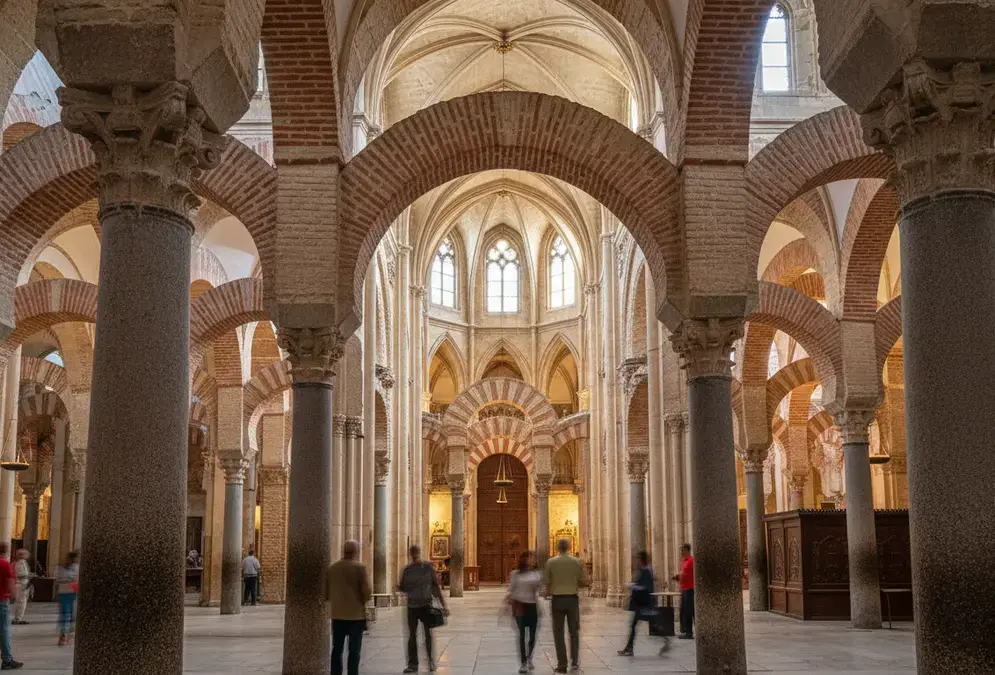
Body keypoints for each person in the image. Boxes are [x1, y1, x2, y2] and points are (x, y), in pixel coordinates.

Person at [397, 544, 448, 673]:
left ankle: (429, 662)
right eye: (413, 552)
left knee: (427, 635)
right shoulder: (408, 569)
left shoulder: (426, 568)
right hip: (413, 606)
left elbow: (435, 586)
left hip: (425, 605)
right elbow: (402, 587)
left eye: (415, 552)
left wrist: (443, 604)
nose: (414, 555)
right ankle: (414, 664)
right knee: (413, 636)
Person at [326, 540, 371, 675]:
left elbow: (326, 593)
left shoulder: (332, 568)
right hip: (356, 616)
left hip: (337, 614)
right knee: (354, 650)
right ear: (356, 551)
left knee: (337, 648)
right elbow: (367, 593)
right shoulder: (360, 568)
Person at [542, 538, 587, 673]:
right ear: (569, 547)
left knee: (558, 632)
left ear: (557, 548)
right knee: (574, 632)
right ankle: (574, 663)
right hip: (572, 600)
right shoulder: (577, 562)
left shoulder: (551, 562)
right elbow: (583, 581)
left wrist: (549, 591)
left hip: (557, 600)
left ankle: (562, 664)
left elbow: (547, 581)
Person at [507, 551, 541, 674]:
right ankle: (523, 662)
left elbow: (539, 588)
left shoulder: (536, 574)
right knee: (522, 635)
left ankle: (529, 657)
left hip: (532, 606)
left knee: (532, 635)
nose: (532, 560)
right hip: (520, 606)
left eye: (533, 558)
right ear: (524, 560)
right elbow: (512, 589)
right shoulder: (515, 574)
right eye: (530, 558)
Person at [618, 551, 655, 656]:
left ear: (642, 559)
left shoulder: (646, 571)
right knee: (636, 625)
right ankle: (629, 648)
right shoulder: (642, 570)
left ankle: (629, 648)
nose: (636, 560)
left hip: (643, 603)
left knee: (637, 625)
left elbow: (645, 587)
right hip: (640, 603)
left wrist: (631, 586)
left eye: (638, 558)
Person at [0, 543, 22, 669]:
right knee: (4, 630)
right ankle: (7, 660)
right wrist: (15, 596)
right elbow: (10, 583)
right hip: (1, 600)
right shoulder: (4, 564)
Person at [55, 551, 79, 646]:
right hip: (67, 592)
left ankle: (66, 633)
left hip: (69, 592)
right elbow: (57, 580)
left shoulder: (74, 566)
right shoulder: (61, 567)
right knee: (66, 614)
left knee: (68, 614)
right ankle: (64, 634)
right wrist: (70, 580)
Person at [672, 543, 694, 639]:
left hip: (689, 589)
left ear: (687, 550)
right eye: (680, 550)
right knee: (684, 611)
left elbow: (686, 574)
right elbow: (683, 573)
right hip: (684, 588)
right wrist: (678, 577)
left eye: (682, 550)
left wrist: (679, 576)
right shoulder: (684, 561)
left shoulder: (691, 561)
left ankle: (688, 633)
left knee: (688, 611)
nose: (681, 552)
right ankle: (684, 631)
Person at [11, 551, 31, 626]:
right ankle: (17, 618)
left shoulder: (23, 562)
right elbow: (19, 575)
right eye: (26, 554)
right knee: (21, 602)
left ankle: (18, 617)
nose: (27, 555)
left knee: (22, 602)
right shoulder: (19, 563)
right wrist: (28, 576)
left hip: (24, 583)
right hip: (21, 584)